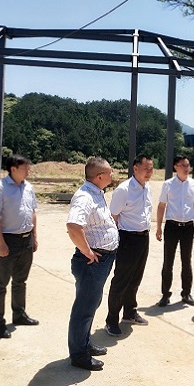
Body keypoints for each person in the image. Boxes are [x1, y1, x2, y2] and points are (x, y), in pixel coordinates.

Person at [66, 157, 119, 371]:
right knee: (84, 309)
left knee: (92, 304)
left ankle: (84, 343)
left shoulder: (97, 193)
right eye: (110, 172)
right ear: (99, 176)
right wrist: (87, 251)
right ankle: (78, 355)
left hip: (102, 260)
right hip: (92, 263)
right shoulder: (85, 197)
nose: (112, 175)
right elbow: (73, 226)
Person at [0, 154, 39, 340]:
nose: (28, 171)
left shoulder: (28, 187)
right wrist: (1, 243)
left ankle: (19, 314)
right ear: (13, 169)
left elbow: (33, 213)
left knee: (20, 280)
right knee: (1, 283)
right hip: (8, 240)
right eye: (25, 168)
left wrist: (34, 237)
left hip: (26, 240)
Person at [105, 155, 154, 337]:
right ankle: (111, 320)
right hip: (127, 238)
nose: (149, 172)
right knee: (121, 280)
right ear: (135, 168)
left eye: (151, 169)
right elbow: (113, 217)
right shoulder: (124, 190)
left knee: (136, 278)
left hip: (143, 238)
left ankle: (129, 313)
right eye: (146, 168)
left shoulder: (147, 188)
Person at [156, 155, 194, 307]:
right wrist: (158, 227)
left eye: (188, 165)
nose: (187, 168)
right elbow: (161, 206)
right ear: (176, 167)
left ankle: (186, 293)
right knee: (168, 261)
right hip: (171, 226)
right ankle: (165, 294)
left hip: (188, 227)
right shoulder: (168, 185)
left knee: (186, 261)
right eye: (183, 165)